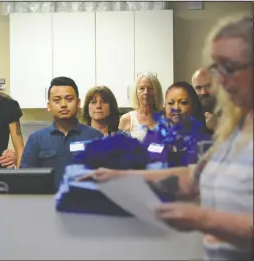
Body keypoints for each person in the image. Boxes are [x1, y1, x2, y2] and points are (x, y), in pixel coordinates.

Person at [80, 14, 253, 260]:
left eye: (231, 67)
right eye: (216, 68)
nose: (220, 80)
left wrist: (202, 218)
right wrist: (123, 176)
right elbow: (196, 176)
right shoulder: (233, 129)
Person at [20, 76, 103, 185]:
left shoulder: (95, 137)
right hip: (47, 201)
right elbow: (25, 179)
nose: (63, 104)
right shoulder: (36, 139)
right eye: (57, 100)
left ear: (78, 103)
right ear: (49, 106)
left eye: (69, 99)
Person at [143, 81, 209, 167]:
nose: (176, 108)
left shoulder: (204, 139)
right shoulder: (153, 136)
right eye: (170, 103)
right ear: (165, 106)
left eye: (183, 102)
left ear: (193, 106)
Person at [119, 72, 164, 141]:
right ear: (135, 92)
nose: (146, 92)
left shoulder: (164, 119)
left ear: (157, 92)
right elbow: (118, 148)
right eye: (142, 88)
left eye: (150, 88)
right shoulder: (126, 119)